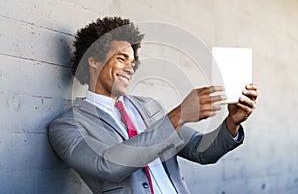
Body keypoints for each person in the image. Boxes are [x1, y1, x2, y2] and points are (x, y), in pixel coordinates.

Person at [49, 16, 258, 194]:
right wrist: (178, 116)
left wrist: (231, 123)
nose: (130, 69)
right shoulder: (67, 127)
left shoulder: (150, 108)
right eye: (122, 59)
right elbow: (108, 166)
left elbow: (200, 150)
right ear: (93, 60)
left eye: (132, 63)